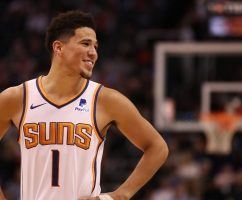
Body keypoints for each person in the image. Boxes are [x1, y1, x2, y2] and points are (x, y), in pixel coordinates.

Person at [0, 10, 168, 200]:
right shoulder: (17, 97)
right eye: (85, 44)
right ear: (58, 48)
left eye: (95, 46)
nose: (93, 53)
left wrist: (121, 194)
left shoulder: (106, 100)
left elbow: (158, 147)